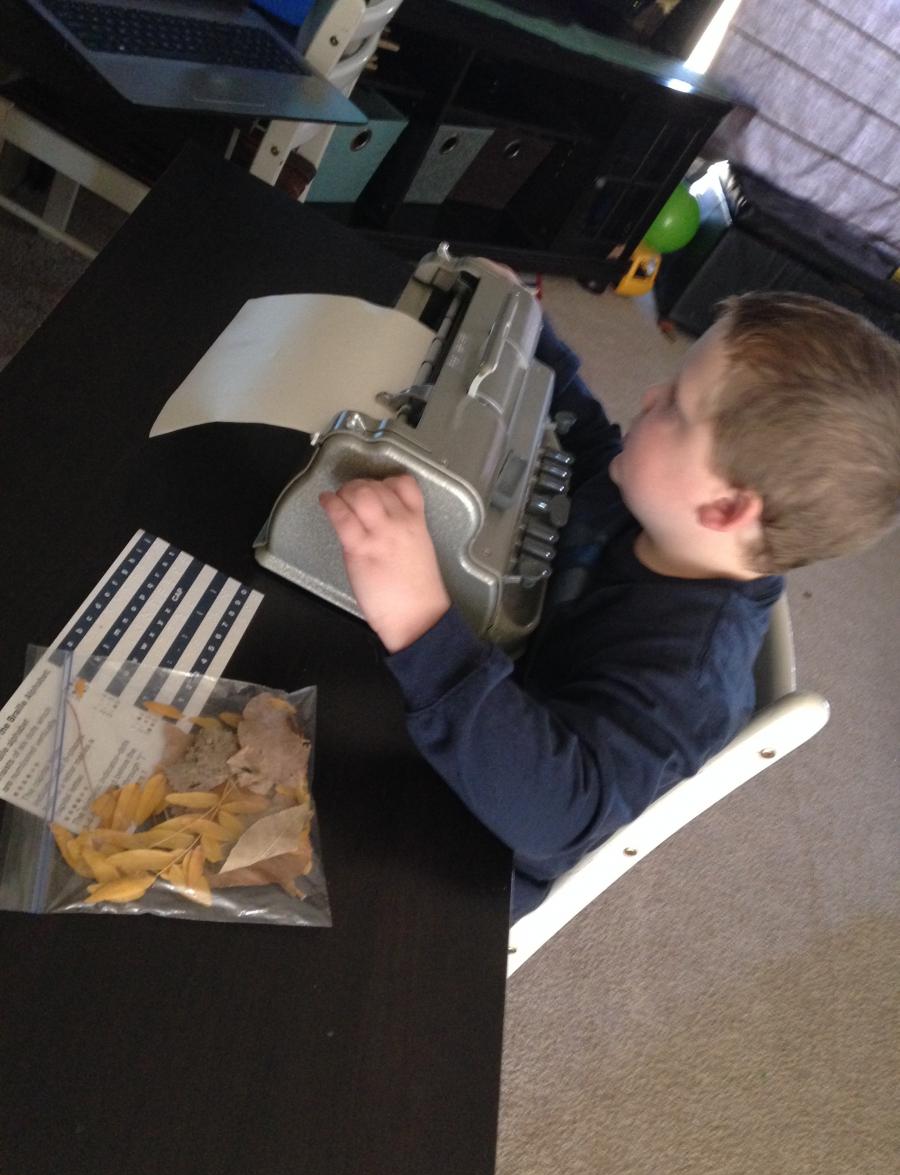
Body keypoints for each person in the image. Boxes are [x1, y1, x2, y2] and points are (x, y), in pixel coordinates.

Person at [319, 291, 900, 919]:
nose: (651, 394)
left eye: (676, 405)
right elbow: (588, 443)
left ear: (726, 509)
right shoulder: (660, 510)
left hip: (457, 850)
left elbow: (555, 813)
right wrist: (527, 328)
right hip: (470, 704)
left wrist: (418, 619)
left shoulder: (687, 681)